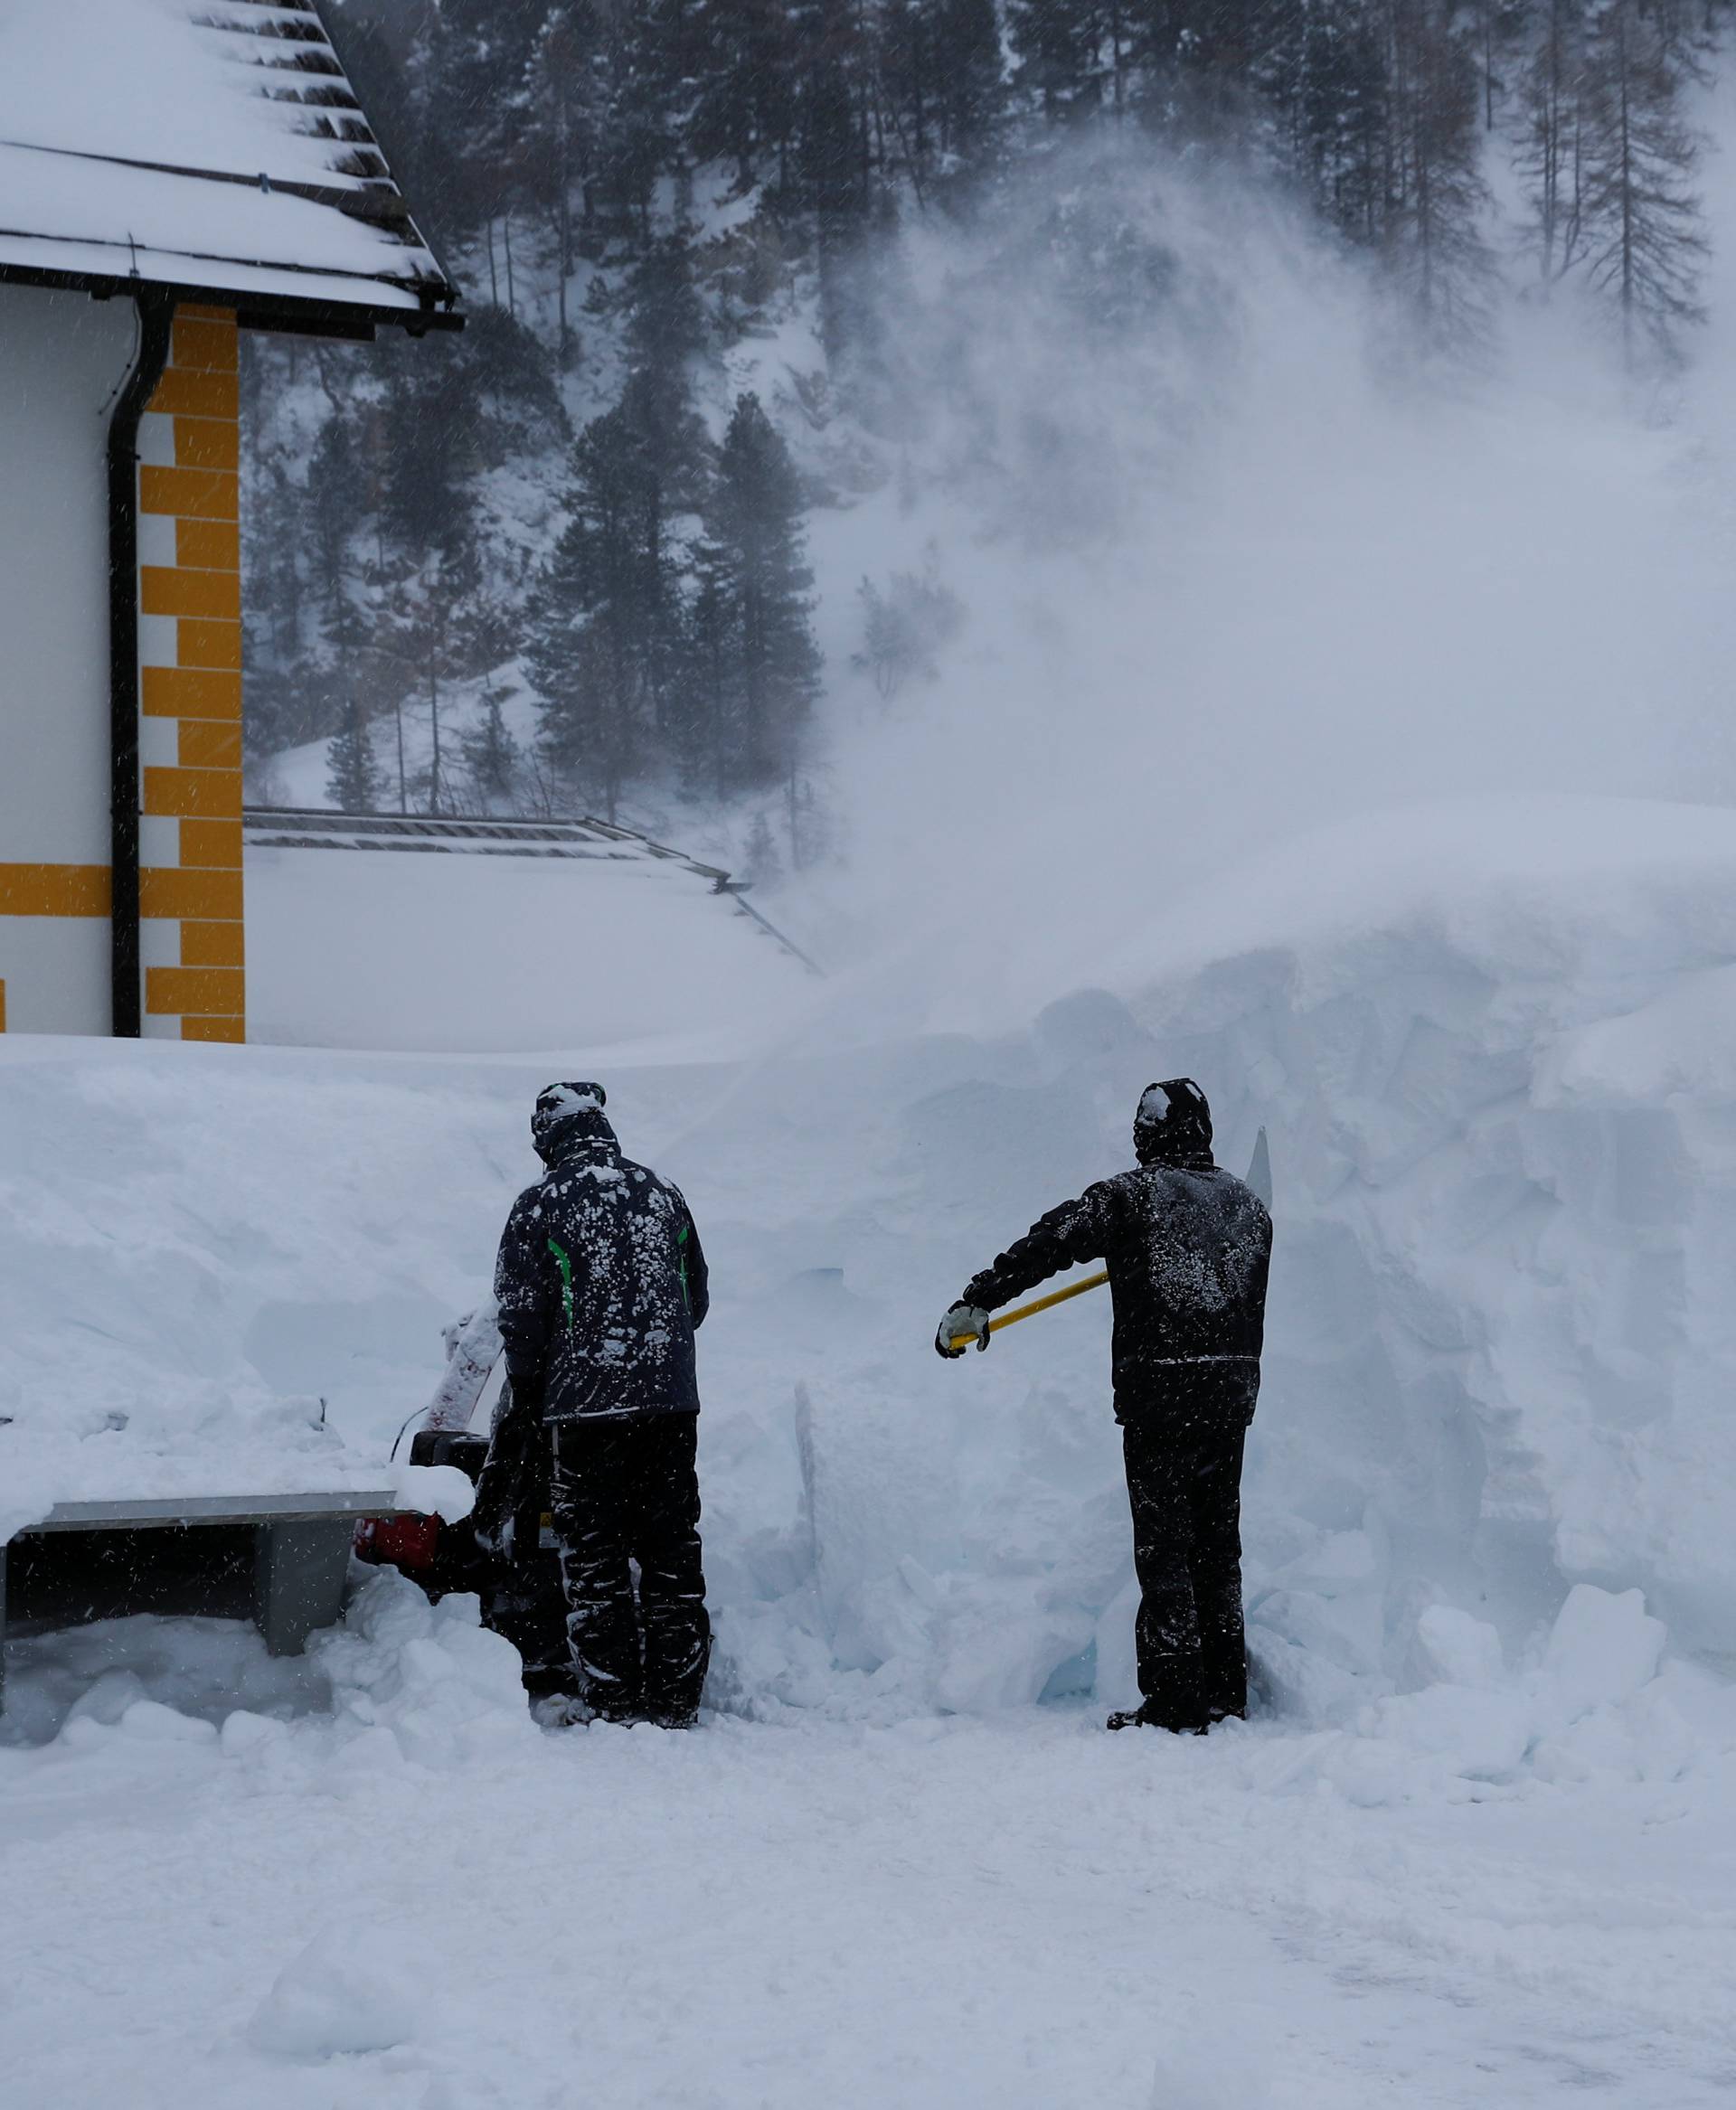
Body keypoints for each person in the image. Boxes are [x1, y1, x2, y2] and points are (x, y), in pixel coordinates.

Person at [935, 1079, 1272, 1735]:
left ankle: (1176, 1699)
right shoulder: (1248, 1207)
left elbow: (1051, 1240)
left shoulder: (1131, 1197)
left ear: (1148, 1134)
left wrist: (980, 1297)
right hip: (1230, 1396)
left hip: (1161, 1397)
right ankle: (1225, 1689)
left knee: (1166, 1547)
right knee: (1216, 1548)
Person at [493, 1082, 712, 1728]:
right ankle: (676, 1699)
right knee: (671, 1545)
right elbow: (694, 1299)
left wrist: (532, 1391)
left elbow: (521, 1315)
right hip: (671, 1406)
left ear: (546, 1137)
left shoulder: (540, 1203)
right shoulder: (662, 1192)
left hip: (583, 1411)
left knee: (594, 1554)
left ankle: (615, 1700)